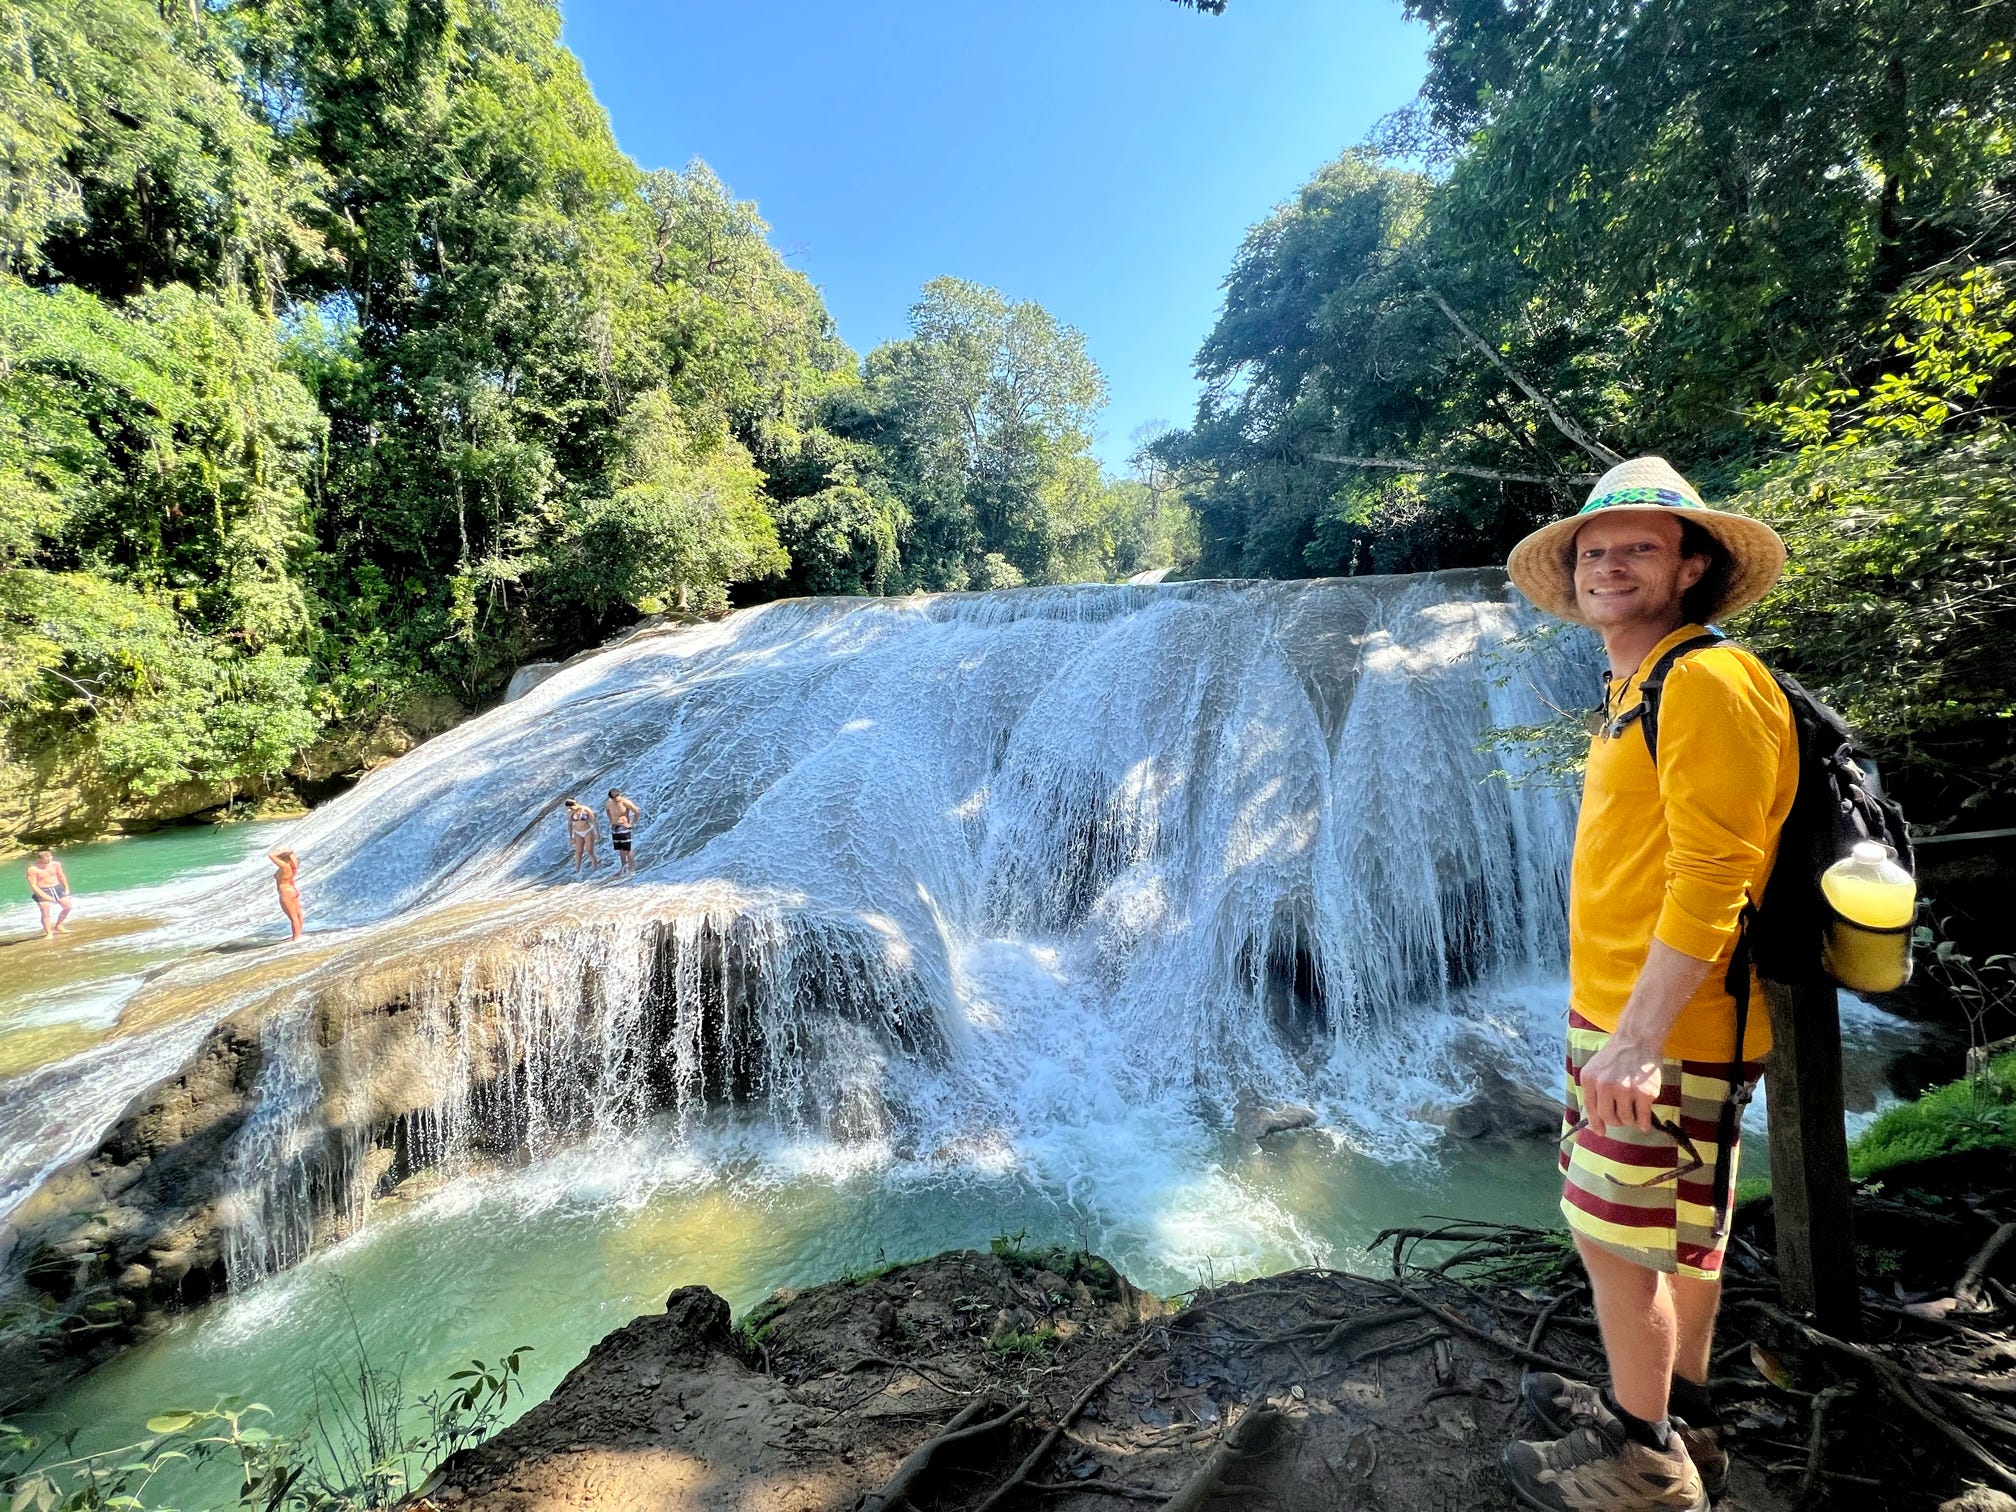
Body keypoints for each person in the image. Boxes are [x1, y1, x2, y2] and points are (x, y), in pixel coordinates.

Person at [1499, 456, 1795, 1512]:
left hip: (1663, 1028)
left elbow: (1717, 876)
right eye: (1596, 549)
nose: (1611, 565)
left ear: (1693, 565)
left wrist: (1637, 1038)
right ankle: (1687, 1415)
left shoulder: (1707, 681)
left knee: (1614, 1242)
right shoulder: (1644, 684)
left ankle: (1646, 1464)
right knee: (1678, 1236)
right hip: (1636, 1015)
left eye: (1641, 547)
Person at [25, 849, 72, 940]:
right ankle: (49, 933)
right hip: (43, 890)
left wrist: (66, 888)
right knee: (45, 912)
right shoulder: (32, 869)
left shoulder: (56, 864)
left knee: (68, 907)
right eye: (46, 858)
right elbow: (33, 885)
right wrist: (44, 896)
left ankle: (58, 925)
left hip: (57, 888)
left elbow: (61, 876)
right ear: (40, 859)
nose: (49, 859)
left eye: (50, 857)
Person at [268, 849, 304, 942]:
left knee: (293, 916)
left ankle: (296, 937)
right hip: (293, 890)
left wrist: (281, 851)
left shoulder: (284, 866)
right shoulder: (293, 864)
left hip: (286, 892)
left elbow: (271, 855)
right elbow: (292, 853)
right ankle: (298, 934)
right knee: (298, 914)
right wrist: (288, 851)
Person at [604, 788, 641, 877]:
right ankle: (624, 867)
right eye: (614, 797)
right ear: (611, 797)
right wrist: (611, 820)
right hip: (614, 827)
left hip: (623, 826)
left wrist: (632, 823)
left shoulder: (625, 802)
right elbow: (607, 811)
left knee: (627, 849)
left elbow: (637, 812)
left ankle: (632, 869)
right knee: (620, 849)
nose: (616, 798)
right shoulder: (609, 802)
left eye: (617, 796)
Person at [563, 799, 600, 877]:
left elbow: (594, 820)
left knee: (590, 851)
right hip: (578, 832)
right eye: (569, 808)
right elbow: (569, 824)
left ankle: (595, 868)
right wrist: (571, 837)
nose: (571, 809)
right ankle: (578, 871)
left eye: (572, 807)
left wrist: (597, 833)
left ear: (575, 804)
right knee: (578, 852)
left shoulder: (585, 809)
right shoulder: (570, 812)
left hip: (588, 831)